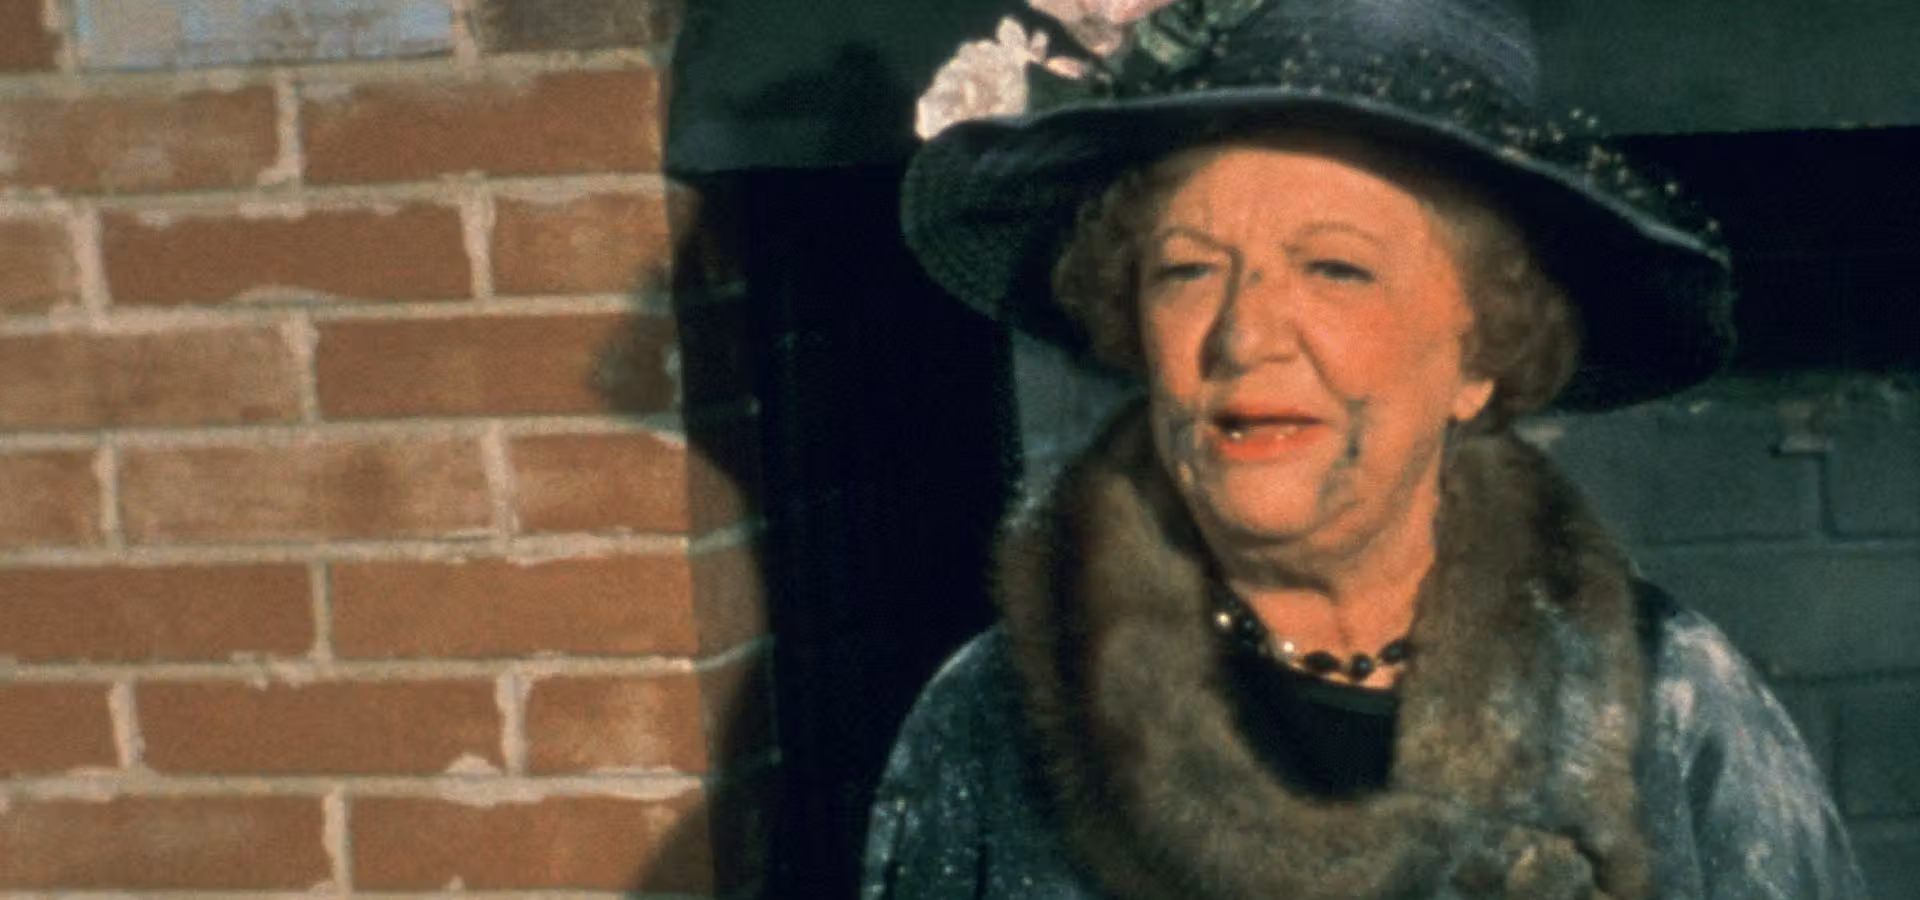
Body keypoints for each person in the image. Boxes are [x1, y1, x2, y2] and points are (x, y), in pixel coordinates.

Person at [862, 0, 1869, 897]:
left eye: (1336, 268)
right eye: (1188, 271)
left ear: (1481, 351)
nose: (1244, 336)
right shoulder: (992, 720)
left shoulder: (1671, 701)